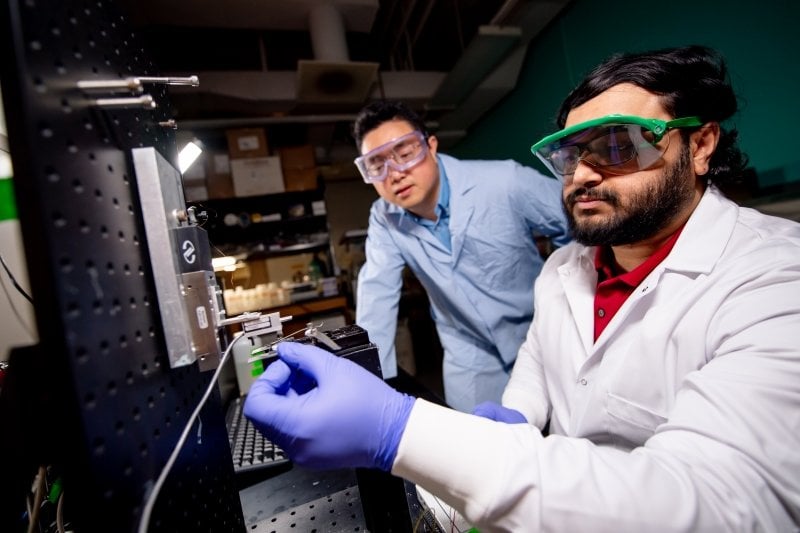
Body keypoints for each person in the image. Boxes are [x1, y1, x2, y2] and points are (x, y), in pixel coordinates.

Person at [244, 45, 800, 531]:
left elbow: (722, 503)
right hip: (478, 362)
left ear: (701, 145)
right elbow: (380, 295)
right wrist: (365, 381)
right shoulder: (559, 271)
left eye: (619, 145)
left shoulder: (774, 280)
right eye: (571, 155)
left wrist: (396, 429)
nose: (582, 175)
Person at [352, 100, 571, 412]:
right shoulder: (384, 218)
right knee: (478, 448)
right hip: (469, 350)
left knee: (566, 432)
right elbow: (376, 295)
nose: (395, 173)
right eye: (377, 165)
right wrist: (368, 389)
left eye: (404, 153)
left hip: (539, 331)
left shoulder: (505, 182)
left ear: (431, 145)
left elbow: (578, 223)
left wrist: (567, 297)